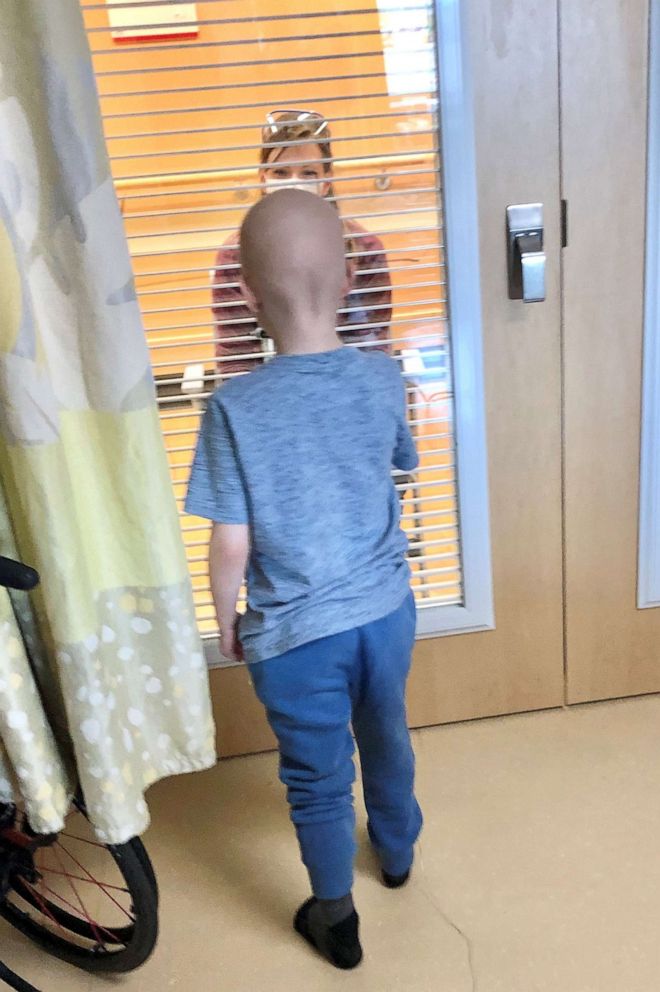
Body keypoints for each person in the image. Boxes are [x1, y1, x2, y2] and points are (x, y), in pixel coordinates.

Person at [186, 189, 422, 970]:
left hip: (294, 636)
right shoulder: (382, 378)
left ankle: (335, 917)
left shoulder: (234, 407)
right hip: (385, 615)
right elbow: (399, 468)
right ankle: (396, 852)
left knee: (317, 777)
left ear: (248, 294)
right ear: (350, 276)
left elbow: (230, 541)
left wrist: (226, 619)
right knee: (385, 729)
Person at [211, 109, 392, 378]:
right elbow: (236, 363)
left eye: (308, 173)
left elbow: (371, 350)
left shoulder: (364, 250)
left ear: (326, 182)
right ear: (264, 178)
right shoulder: (234, 258)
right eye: (281, 172)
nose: (293, 184)